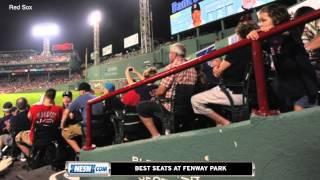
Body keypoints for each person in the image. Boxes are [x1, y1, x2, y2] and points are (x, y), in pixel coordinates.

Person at [247, 4, 318, 112]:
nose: (260, 24)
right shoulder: (269, 37)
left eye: (264, 20)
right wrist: (253, 34)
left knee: (300, 111)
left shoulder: (291, 27)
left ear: (277, 19)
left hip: (305, 84)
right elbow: (257, 47)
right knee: (290, 114)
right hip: (287, 85)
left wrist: (275, 29)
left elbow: (291, 32)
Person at [191, 22, 257, 126]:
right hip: (251, 93)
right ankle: (220, 124)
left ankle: (225, 123)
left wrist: (216, 65)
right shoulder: (256, 46)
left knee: (195, 100)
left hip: (236, 92)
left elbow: (217, 73)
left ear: (239, 35)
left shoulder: (238, 49)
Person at [136, 43, 197, 137]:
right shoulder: (192, 68)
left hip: (170, 107)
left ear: (174, 54)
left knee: (141, 107)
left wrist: (155, 93)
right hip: (187, 106)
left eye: (170, 53)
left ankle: (155, 135)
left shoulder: (171, 67)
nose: (169, 55)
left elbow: (160, 91)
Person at [15, 89, 63, 157]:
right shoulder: (59, 109)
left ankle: (30, 155)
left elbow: (29, 118)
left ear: (45, 96)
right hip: (52, 139)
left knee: (17, 138)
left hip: (36, 139)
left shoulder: (34, 108)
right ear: (53, 98)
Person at [60, 82, 104, 154]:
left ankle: (80, 153)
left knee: (65, 133)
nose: (79, 93)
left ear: (83, 91)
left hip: (87, 128)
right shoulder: (97, 97)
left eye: (79, 91)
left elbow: (66, 112)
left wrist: (62, 126)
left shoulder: (81, 98)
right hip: (100, 127)